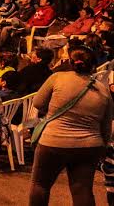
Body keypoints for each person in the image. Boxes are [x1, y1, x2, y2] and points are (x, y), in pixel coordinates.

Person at [29, 45, 113, 206]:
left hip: (52, 143)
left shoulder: (57, 78)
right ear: (93, 65)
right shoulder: (103, 90)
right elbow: (106, 127)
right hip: (89, 146)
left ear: (70, 61)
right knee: (82, 189)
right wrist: (101, 149)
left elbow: (38, 103)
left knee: (40, 185)